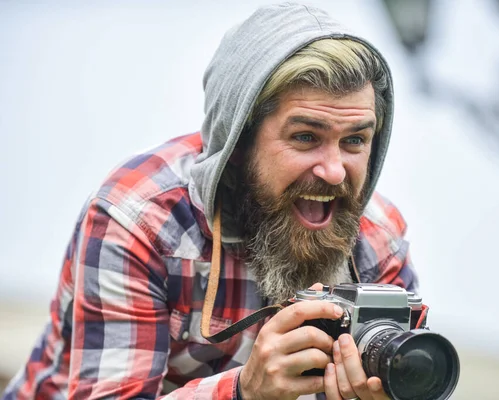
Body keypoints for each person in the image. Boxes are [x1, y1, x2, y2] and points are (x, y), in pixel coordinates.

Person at [2, 3, 418, 400]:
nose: (335, 171)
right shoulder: (138, 221)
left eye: (355, 140)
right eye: (305, 137)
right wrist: (244, 391)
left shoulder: (378, 242)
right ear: (236, 141)